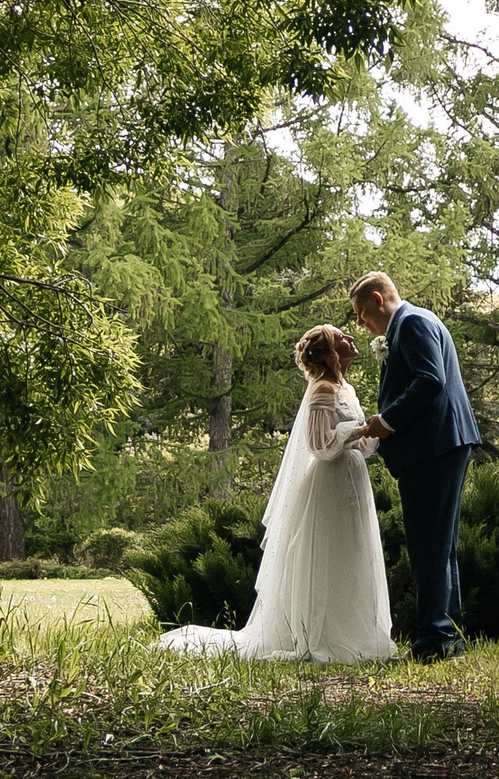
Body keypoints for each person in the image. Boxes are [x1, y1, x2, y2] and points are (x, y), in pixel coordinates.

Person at [154, 324, 394, 662]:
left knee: (353, 550)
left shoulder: (347, 389)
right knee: (331, 554)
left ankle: (355, 632)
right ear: (329, 354)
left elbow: (357, 441)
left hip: (354, 478)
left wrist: (372, 434)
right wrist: (360, 428)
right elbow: (319, 444)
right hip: (330, 482)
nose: (352, 340)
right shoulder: (322, 390)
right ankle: (322, 636)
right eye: (342, 338)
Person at [350, 271, 481, 661]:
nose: (360, 323)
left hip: (434, 447)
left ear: (377, 298)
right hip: (440, 445)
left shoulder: (412, 323)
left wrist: (386, 422)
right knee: (438, 546)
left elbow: (430, 380)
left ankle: (433, 642)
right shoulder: (415, 323)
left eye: (360, 312)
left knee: (428, 546)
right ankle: (448, 636)